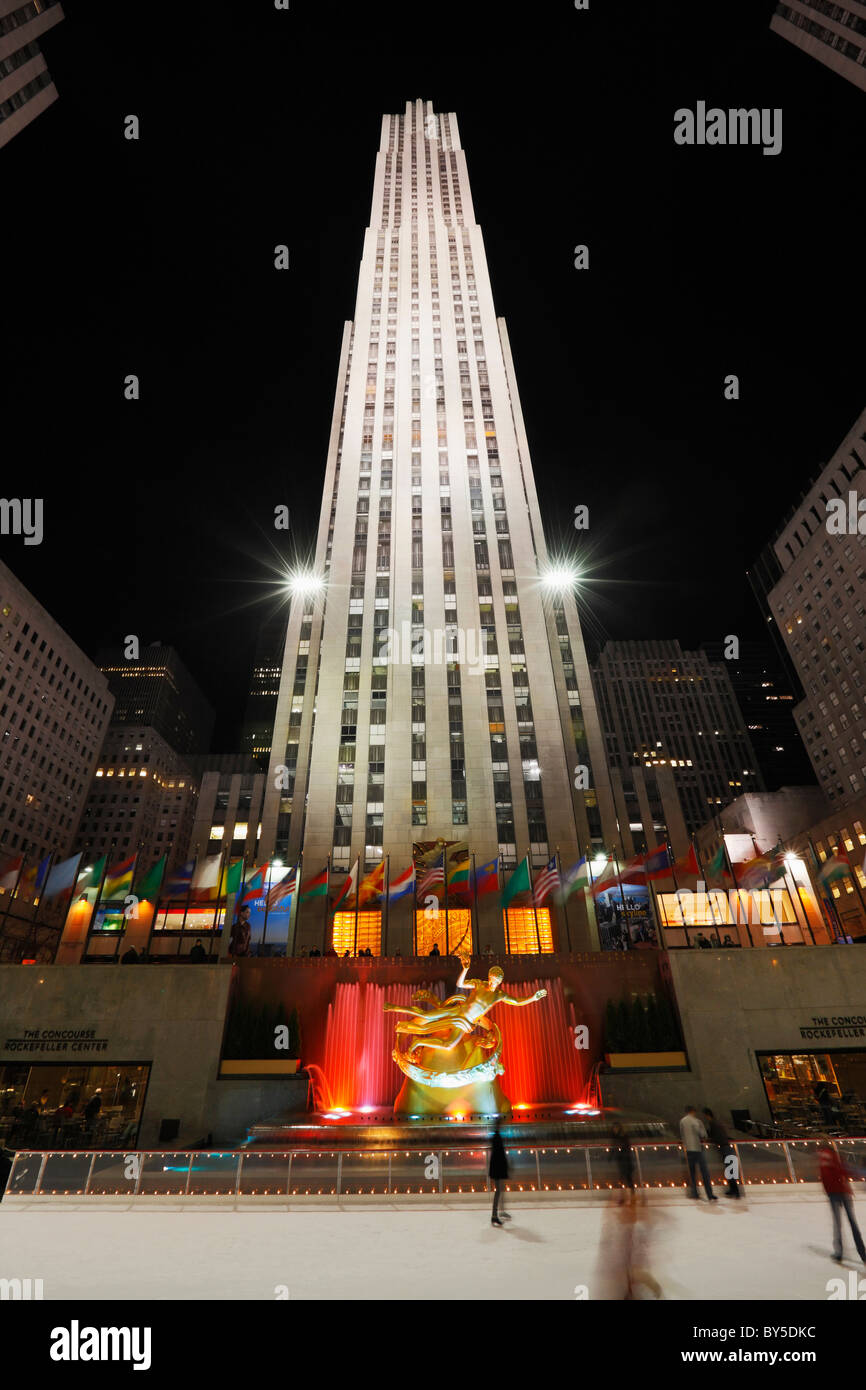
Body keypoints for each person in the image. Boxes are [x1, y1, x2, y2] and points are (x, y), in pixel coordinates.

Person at [818, 1139, 866, 1263]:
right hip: (842, 1191)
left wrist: (829, 1191)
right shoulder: (834, 1156)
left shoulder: (825, 1156)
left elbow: (829, 1175)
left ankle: (839, 1252)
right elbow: (840, 1171)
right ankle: (862, 1253)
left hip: (835, 1193)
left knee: (838, 1223)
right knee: (852, 1223)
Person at [679, 1105, 716, 1201]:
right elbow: (703, 1134)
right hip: (698, 1149)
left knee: (692, 1173)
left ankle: (694, 1193)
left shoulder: (682, 1121)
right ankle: (709, 1194)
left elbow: (682, 1135)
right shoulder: (696, 1121)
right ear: (693, 1112)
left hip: (688, 1150)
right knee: (705, 1173)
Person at [703, 1107, 740, 1198]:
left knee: (729, 1170)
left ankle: (735, 1191)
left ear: (707, 1115)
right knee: (730, 1170)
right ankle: (734, 1190)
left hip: (724, 1148)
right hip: (727, 1147)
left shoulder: (713, 1123)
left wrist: (710, 1139)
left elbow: (716, 1136)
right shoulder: (717, 1123)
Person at [489, 1116, 510, 1227]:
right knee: (498, 1191)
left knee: (499, 1191)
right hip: (497, 1169)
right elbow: (498, 1155)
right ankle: (494, 1216)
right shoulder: (497, 1137)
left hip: (497, 1169)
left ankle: (496, 1214)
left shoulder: (496, 1136)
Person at [611, 1120, 635, 1192]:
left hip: (626, 1160)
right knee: (624, 1178)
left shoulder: (622, 1137)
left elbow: (626, 1147)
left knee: (626, 1178)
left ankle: (630, 1194)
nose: (614, 1130)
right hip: (622, 1160)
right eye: (613, 1129)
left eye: (615, 1128)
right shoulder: (618, 1137)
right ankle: (627, 1195)